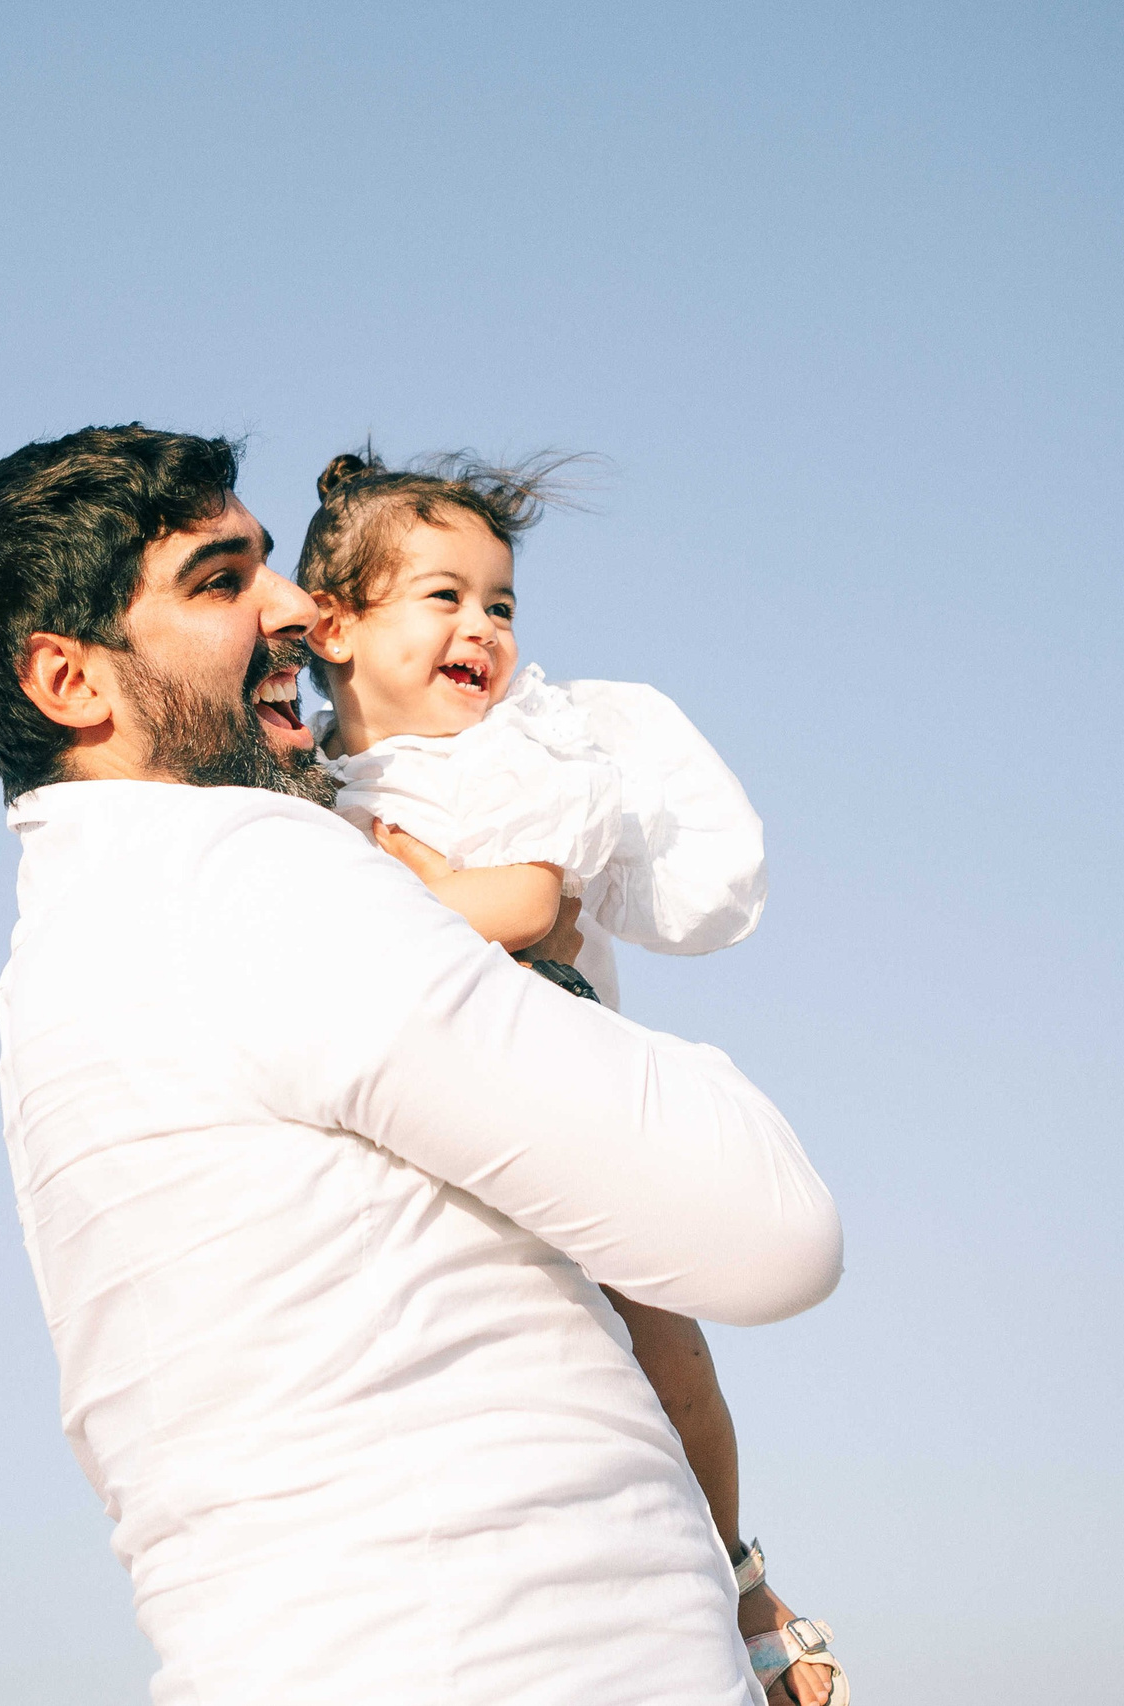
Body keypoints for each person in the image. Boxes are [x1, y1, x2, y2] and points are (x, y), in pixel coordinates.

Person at [0, 423, 844, 1706]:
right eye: (221, 579)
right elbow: (773, 1232)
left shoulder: (72, 947)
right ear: (69, 681)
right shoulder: (245, 873)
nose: (294, 607)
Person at [295, 446, 844, 1706]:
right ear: (333, 625)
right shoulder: (311, 783)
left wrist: (415, 891)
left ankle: (739, 1572)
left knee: (663, 1341)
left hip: (553, 1066)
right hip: (427, 1099)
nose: (481, 627)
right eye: (442, 596)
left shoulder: (513, 757)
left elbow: (529, 907)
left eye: (499, 602)